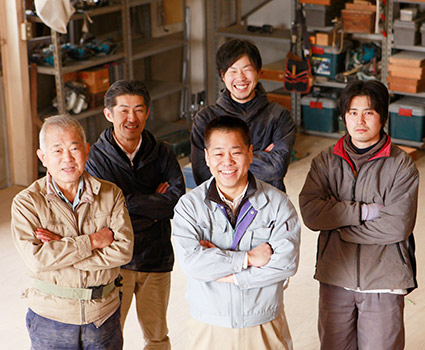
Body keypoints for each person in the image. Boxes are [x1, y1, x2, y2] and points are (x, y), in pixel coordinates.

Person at [299, 79, 419, 350]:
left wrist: (340, 225)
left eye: (369, 112)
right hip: (335, 275)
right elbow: (311, 213)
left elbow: (396, 226)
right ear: (344, 117)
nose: (360, 120)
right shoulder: (326, 161)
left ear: (383, 117)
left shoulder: (401, 166)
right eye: (353, 112)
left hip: (383, 279)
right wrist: (364, 212)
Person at [173, 116, 300, 350]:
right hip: (210, 325)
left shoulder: (277, 204)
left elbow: (286, 264)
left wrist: (229, 275)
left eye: (236, 152)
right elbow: (192, 264)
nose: (227, 162)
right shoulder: (189, 206)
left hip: (263, 322)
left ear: (250, 154)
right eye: (218, 153)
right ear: (207, 157)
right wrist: (247, 259)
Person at [11, 114, 133, 349]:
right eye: (57, 150)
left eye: (74, 148)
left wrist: (62, 246)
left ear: (86, 150)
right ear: (43, 157)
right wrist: (92, 241)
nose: (67, 158)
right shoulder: (26, 202)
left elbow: (123, 252)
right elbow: (37, 260)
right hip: (51, 318)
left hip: (102, 315)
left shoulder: (111, 194)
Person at [86, 80, 185, 349]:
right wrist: (154, 204)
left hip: (156, 258)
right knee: (109, 336)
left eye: (139, 110)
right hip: (117, 262)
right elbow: (103, 212)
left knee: (157, 336)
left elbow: (175, 202)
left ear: (148, 112)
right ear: (109, 114)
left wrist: (127, 204)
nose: (132, 118)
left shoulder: (162, 151)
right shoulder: (96, 158)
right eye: (124, 110)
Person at [190, 39, 295, 192]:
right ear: (223, 75)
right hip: (221, 206)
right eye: (232, 70)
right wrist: (261, 157)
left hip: (267, 203)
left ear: (259, 72)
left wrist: (223, 165)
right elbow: (202, 174)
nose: (240, 77)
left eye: (247, 69)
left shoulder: (279, 116)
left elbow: (277, 168)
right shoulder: (205, 119)